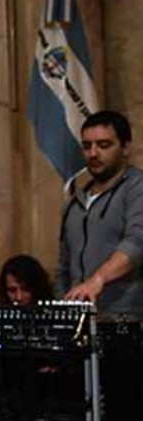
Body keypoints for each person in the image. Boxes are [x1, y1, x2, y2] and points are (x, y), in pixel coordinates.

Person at [56, 110, 143, 315]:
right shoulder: (74, 203)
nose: (93, 153)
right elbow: (63, 268)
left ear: (125, 148)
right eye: (87, 146)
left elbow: (137, 243)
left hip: (128, 319)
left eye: (104, 145)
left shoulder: (137, 188)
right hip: (80, 320)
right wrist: (62, 309)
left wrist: (98, 279)